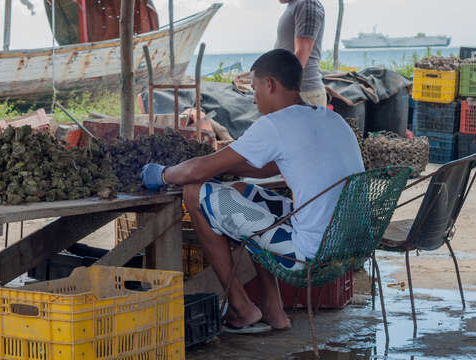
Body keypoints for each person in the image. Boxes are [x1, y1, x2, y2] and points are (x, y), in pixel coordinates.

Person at [141, 49, 364, 333]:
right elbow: (272, 167)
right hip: (347, 245)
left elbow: (194, 174)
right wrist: (221, 168)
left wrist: (160, 173)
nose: (254, 98)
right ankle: (274, 310)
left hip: (308, 254)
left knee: (195, 193)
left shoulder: (276, 124)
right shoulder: (331, 119)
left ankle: (242, 309)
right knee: (245, 193)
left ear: (270, 84)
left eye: (255, 88)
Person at [276, 0, 327, 107]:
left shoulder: (307, 3)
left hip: (304, 94)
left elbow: (303, 51)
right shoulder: (294, 5)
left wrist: (283, 90)